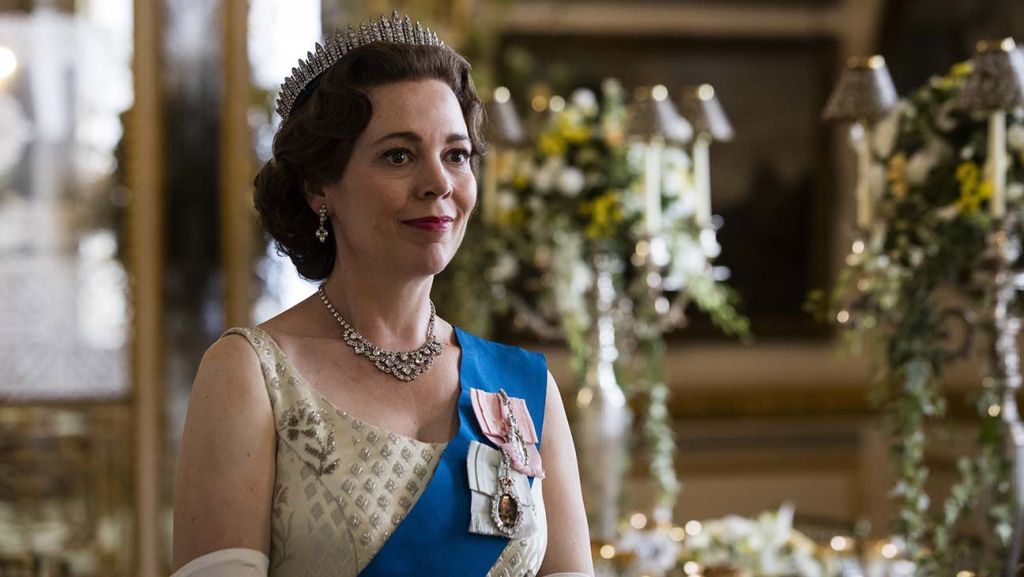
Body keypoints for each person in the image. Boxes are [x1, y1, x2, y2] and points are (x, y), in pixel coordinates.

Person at [171, 12, 594, 577]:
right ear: (319, 186)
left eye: (456, 155)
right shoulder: (251, 375)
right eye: (399, 155)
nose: (438, 183)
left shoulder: (524, 389)